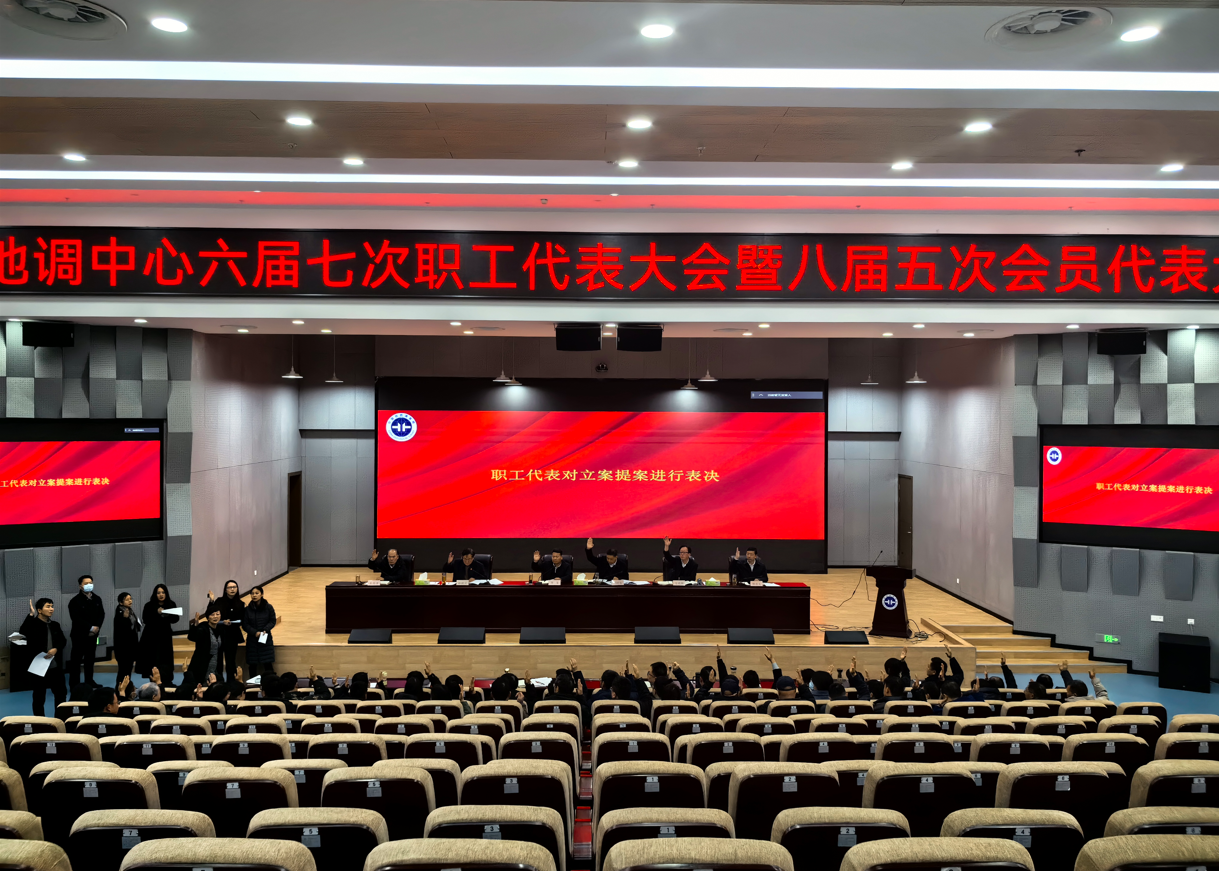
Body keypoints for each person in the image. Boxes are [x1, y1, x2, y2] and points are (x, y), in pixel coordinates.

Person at [21, 598, 67, 716]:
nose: (51, 609)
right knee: (39, 696)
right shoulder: (32, 624)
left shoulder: (55, 625)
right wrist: (31, 615)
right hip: (39, 666)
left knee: (61, 693)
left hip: (55, 665)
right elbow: (23, 632)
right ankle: (40, 720)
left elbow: (63, 641)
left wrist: (56, 649)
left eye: (52, 606)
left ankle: (60, 719)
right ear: (40, 610)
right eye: (48, 606)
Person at [137, 585, 179, 686]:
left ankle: (167, 681)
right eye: (158, 593)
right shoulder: (149, 605)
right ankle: (153, 680)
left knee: (166, 658)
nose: (161, 595)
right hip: (151, 637)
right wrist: (157, 612)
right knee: (153, 659)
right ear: (155, 594)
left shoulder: (171, 604)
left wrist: (166, 614)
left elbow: (176, 619)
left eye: (163, 592)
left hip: (165, 636)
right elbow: (145, 619)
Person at [67, 574, 105, 689]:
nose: (89, 585)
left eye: (90, 583)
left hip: (93, 636)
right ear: (80, 586)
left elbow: (101, 614)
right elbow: (76, 618)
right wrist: (90, 627)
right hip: (79, 635)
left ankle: (89, 681)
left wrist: (97, 627)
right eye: (86, 583)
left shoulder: (97, 598)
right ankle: (75, 684)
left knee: (90, 660)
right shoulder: (74, 601)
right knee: (76, 661)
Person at [209, 581, 245, 683]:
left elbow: (242, 619)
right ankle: (219, 683)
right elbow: (211, 614)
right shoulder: (219, 601)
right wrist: (211, 601)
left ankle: (231, 683)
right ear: (225, 590)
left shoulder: (241, 603)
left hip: (233, 634)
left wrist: (233, 622)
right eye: (230, 587)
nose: (232, 589)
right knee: (218, 661)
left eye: (234, 587)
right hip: (220, 634)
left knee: (231, 661)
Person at [243, 584, 279, 678]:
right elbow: (245, 624)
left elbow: (272, 621)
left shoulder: (268, 607)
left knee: (267, 664)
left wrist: (265, 630)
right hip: (252, 640)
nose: (254, 595)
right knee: (252, 665)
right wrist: (254, 632)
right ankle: (253, 685)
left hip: (265, 638)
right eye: (252, 593)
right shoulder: (247, 609)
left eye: (257, 593)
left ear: (262, 594)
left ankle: (271, 683)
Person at [186, 606, 225, 684]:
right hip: (203, 662)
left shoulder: (221, 629)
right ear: (208, 617)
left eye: (217, 614)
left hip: (216, 662)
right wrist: (195, 625)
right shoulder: (203, 628)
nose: (215, 617)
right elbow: (191, 637)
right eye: (212, 615)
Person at [112, 591, 141, 693]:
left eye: (130, 599)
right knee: (123, 670)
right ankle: (120, 690)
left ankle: (127, 688)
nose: (130, 601)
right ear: (121, 602)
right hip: (123, 648)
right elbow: (122, 631)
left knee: (128, 670)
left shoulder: (129, 611)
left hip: (131, 647)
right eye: (127, 599)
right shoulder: (120, 613)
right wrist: (124, 619)